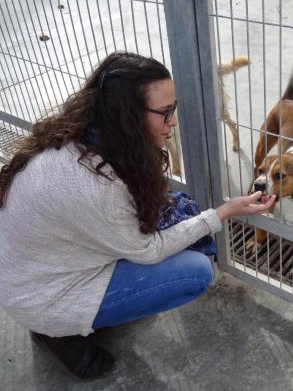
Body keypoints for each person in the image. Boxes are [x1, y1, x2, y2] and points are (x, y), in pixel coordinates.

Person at [0, 51, 275, 379]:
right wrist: (222, 212)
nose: (174, 121)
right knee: (194, 272)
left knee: (173, 211)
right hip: (42, 299)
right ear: (127, 115)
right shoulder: (99, 184)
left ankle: (80, 314)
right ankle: (60, 335)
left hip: (30, 274)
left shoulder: (78, 138)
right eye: (166, 112)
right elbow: (149, 249)